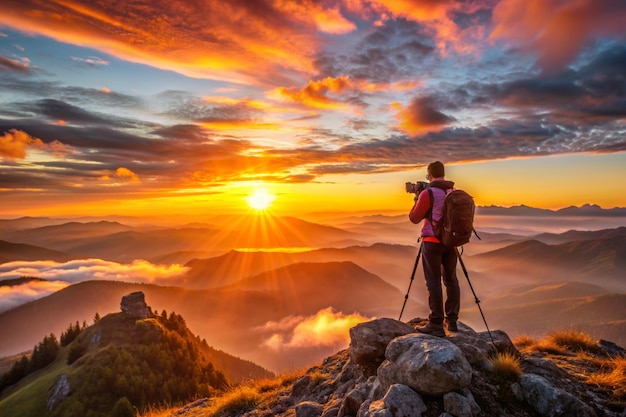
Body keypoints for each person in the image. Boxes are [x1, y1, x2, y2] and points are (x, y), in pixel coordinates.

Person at [408, 161, 460, 337]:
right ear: (443, 174)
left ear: (429, 174)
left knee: (433, 281)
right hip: (450, 242)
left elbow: (414, 218)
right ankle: (452, 321)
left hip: (432, 241)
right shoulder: (452, 192)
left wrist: (417, 198)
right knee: (451, 280)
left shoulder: (428, 193)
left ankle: (436, 323)